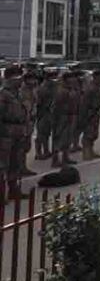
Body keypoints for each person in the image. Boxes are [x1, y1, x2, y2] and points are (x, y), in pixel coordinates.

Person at [0, 67, 29, 197]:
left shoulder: (18, 94)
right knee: (2, 164)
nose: (21, 81)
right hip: (6, 132)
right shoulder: (3, 94)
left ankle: (13, 189)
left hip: (18, 132)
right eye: (18, 78)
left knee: (15, 162)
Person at [52, 71, 81, 167]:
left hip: (71, 115)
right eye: (70, 78)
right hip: (62, 116)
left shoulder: (72, 89)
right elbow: (56, 105)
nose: (73, 80)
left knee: (68, 138)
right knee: (59, 138)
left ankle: (65, 157)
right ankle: (55, 159)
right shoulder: (61, 91)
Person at [81, 69, 100, 161]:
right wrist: (85, 115)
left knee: (94, 133)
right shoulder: (90, 88)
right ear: (95, 77)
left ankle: (91, 150)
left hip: (96, 112)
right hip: (89, 113)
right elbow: (85, 103)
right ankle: (86, 152)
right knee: (88, 133)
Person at [19, 72, 39, 176]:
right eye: (31, 79)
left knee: (26, 146)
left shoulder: (33, 90)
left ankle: (23, 167)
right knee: (21, 147)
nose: (33, 81)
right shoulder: (22, 91)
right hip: (23, 122)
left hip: (30, 121)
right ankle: (21, 168)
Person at [34, 68, 57, 160]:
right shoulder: (42, 88)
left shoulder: (53, 87)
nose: (54, 78)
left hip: (50, 113)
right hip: (43, 113)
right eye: (52, 76)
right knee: (41, 134)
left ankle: (46, 151)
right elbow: (38, 103)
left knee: (47, 134)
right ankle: (38, 153)